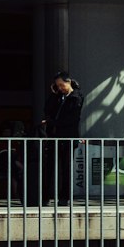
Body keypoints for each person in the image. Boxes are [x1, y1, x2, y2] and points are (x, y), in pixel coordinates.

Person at [40, 73, 84, 203]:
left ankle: (64, 197)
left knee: (66, 168)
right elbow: (47, 109)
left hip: (68, 136)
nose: (60, 88)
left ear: (69, 82)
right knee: (49, 167)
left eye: (62, 85)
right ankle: (45, 196)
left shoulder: (76, 96)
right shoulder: (58, 96)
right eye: (57, 86)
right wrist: (53, 94)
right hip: (54, 136)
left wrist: (53, 122)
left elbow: (72, 118)